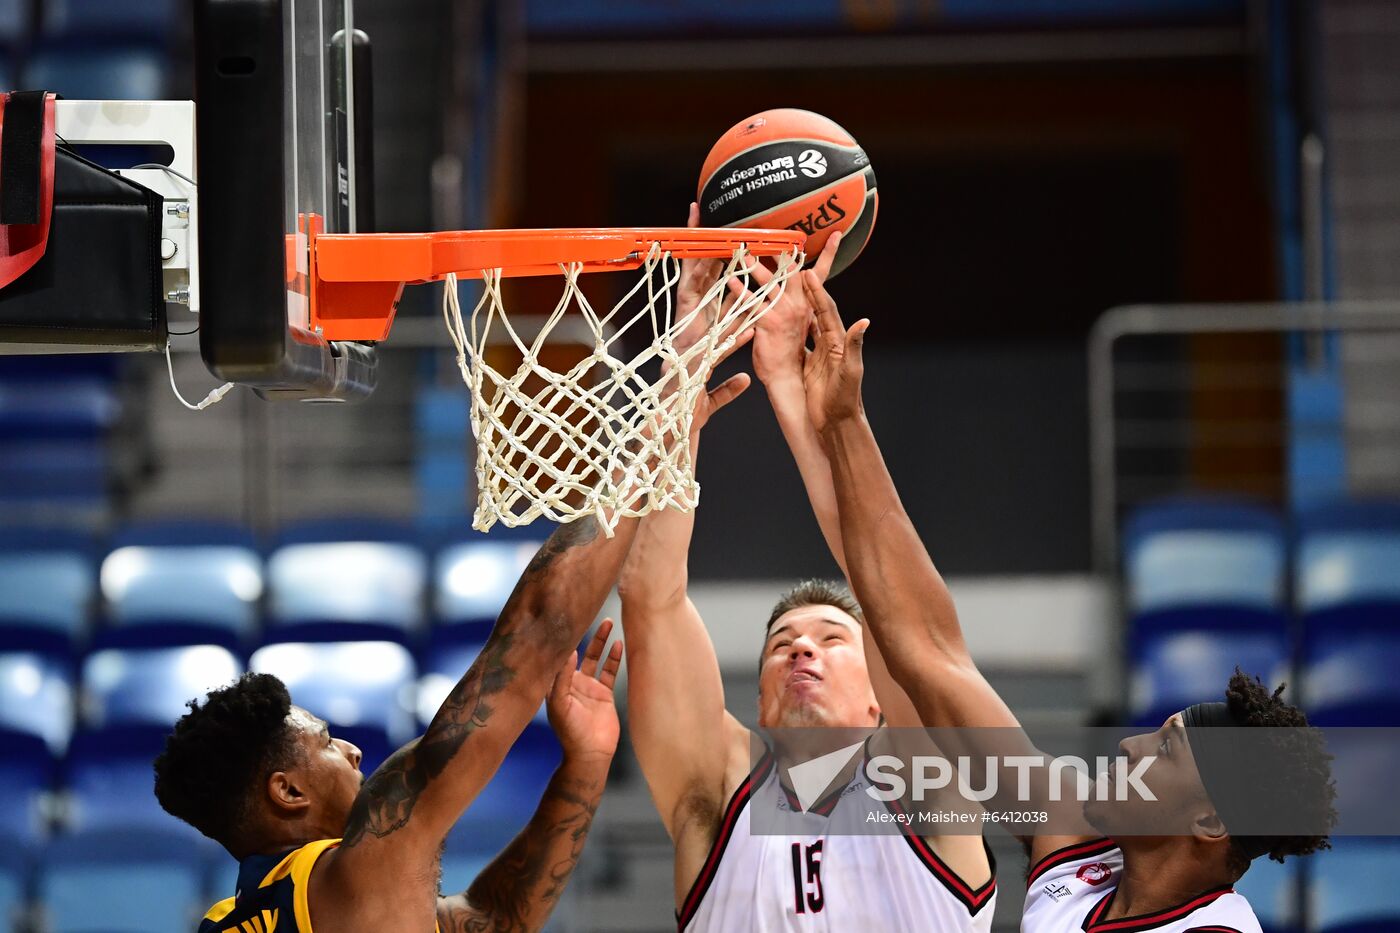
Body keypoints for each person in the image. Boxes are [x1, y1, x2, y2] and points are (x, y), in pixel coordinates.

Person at [795, 268, 1337, 933]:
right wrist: (845, 423)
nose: (1130, 746)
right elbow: (931, 654)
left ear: (1209, 820)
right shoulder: (1076, 843)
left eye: (1166, 750)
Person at [618, 208, 995, 932]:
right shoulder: (714, 799)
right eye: (782, 643)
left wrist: (792, 395)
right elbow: (650, 599)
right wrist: (681, 377)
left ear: (880, 701)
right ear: (759, 707)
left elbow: (892, 601)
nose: (801, 650)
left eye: (832, 638)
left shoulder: (930, 789)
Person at [154, 495, 647, 932]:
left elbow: (494, 920)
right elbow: (533, 631)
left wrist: (585, 762)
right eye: (326, 743)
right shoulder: (352, 875)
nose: (352, 750)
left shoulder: (226, 920)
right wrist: (637, 468)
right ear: (288, 791)